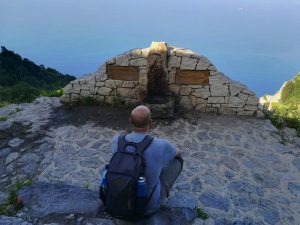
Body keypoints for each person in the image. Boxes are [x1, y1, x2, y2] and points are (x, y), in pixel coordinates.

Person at [111, 105, 183, 215]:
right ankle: (158, 194)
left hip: (118, 201)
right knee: (177, 161)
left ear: (130, 121)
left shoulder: (117, 140)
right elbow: (178, 153)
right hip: (146, 207)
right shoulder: (160, 145)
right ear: (150, 122)